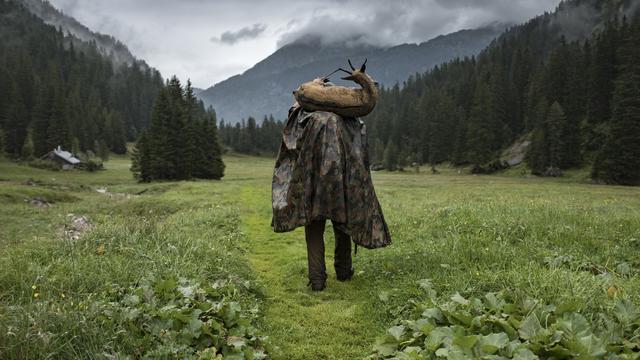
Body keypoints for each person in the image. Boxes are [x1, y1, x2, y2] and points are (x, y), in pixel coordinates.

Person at [271, 101, 392, 291]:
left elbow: (291, 131)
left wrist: (298, 103)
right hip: (341, 181)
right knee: (343, 225)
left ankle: (317, 280)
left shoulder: (307, 117)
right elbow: (359, 148)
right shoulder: (348, 119)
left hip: (312, 182)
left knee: (313, 228)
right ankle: (344, 271)